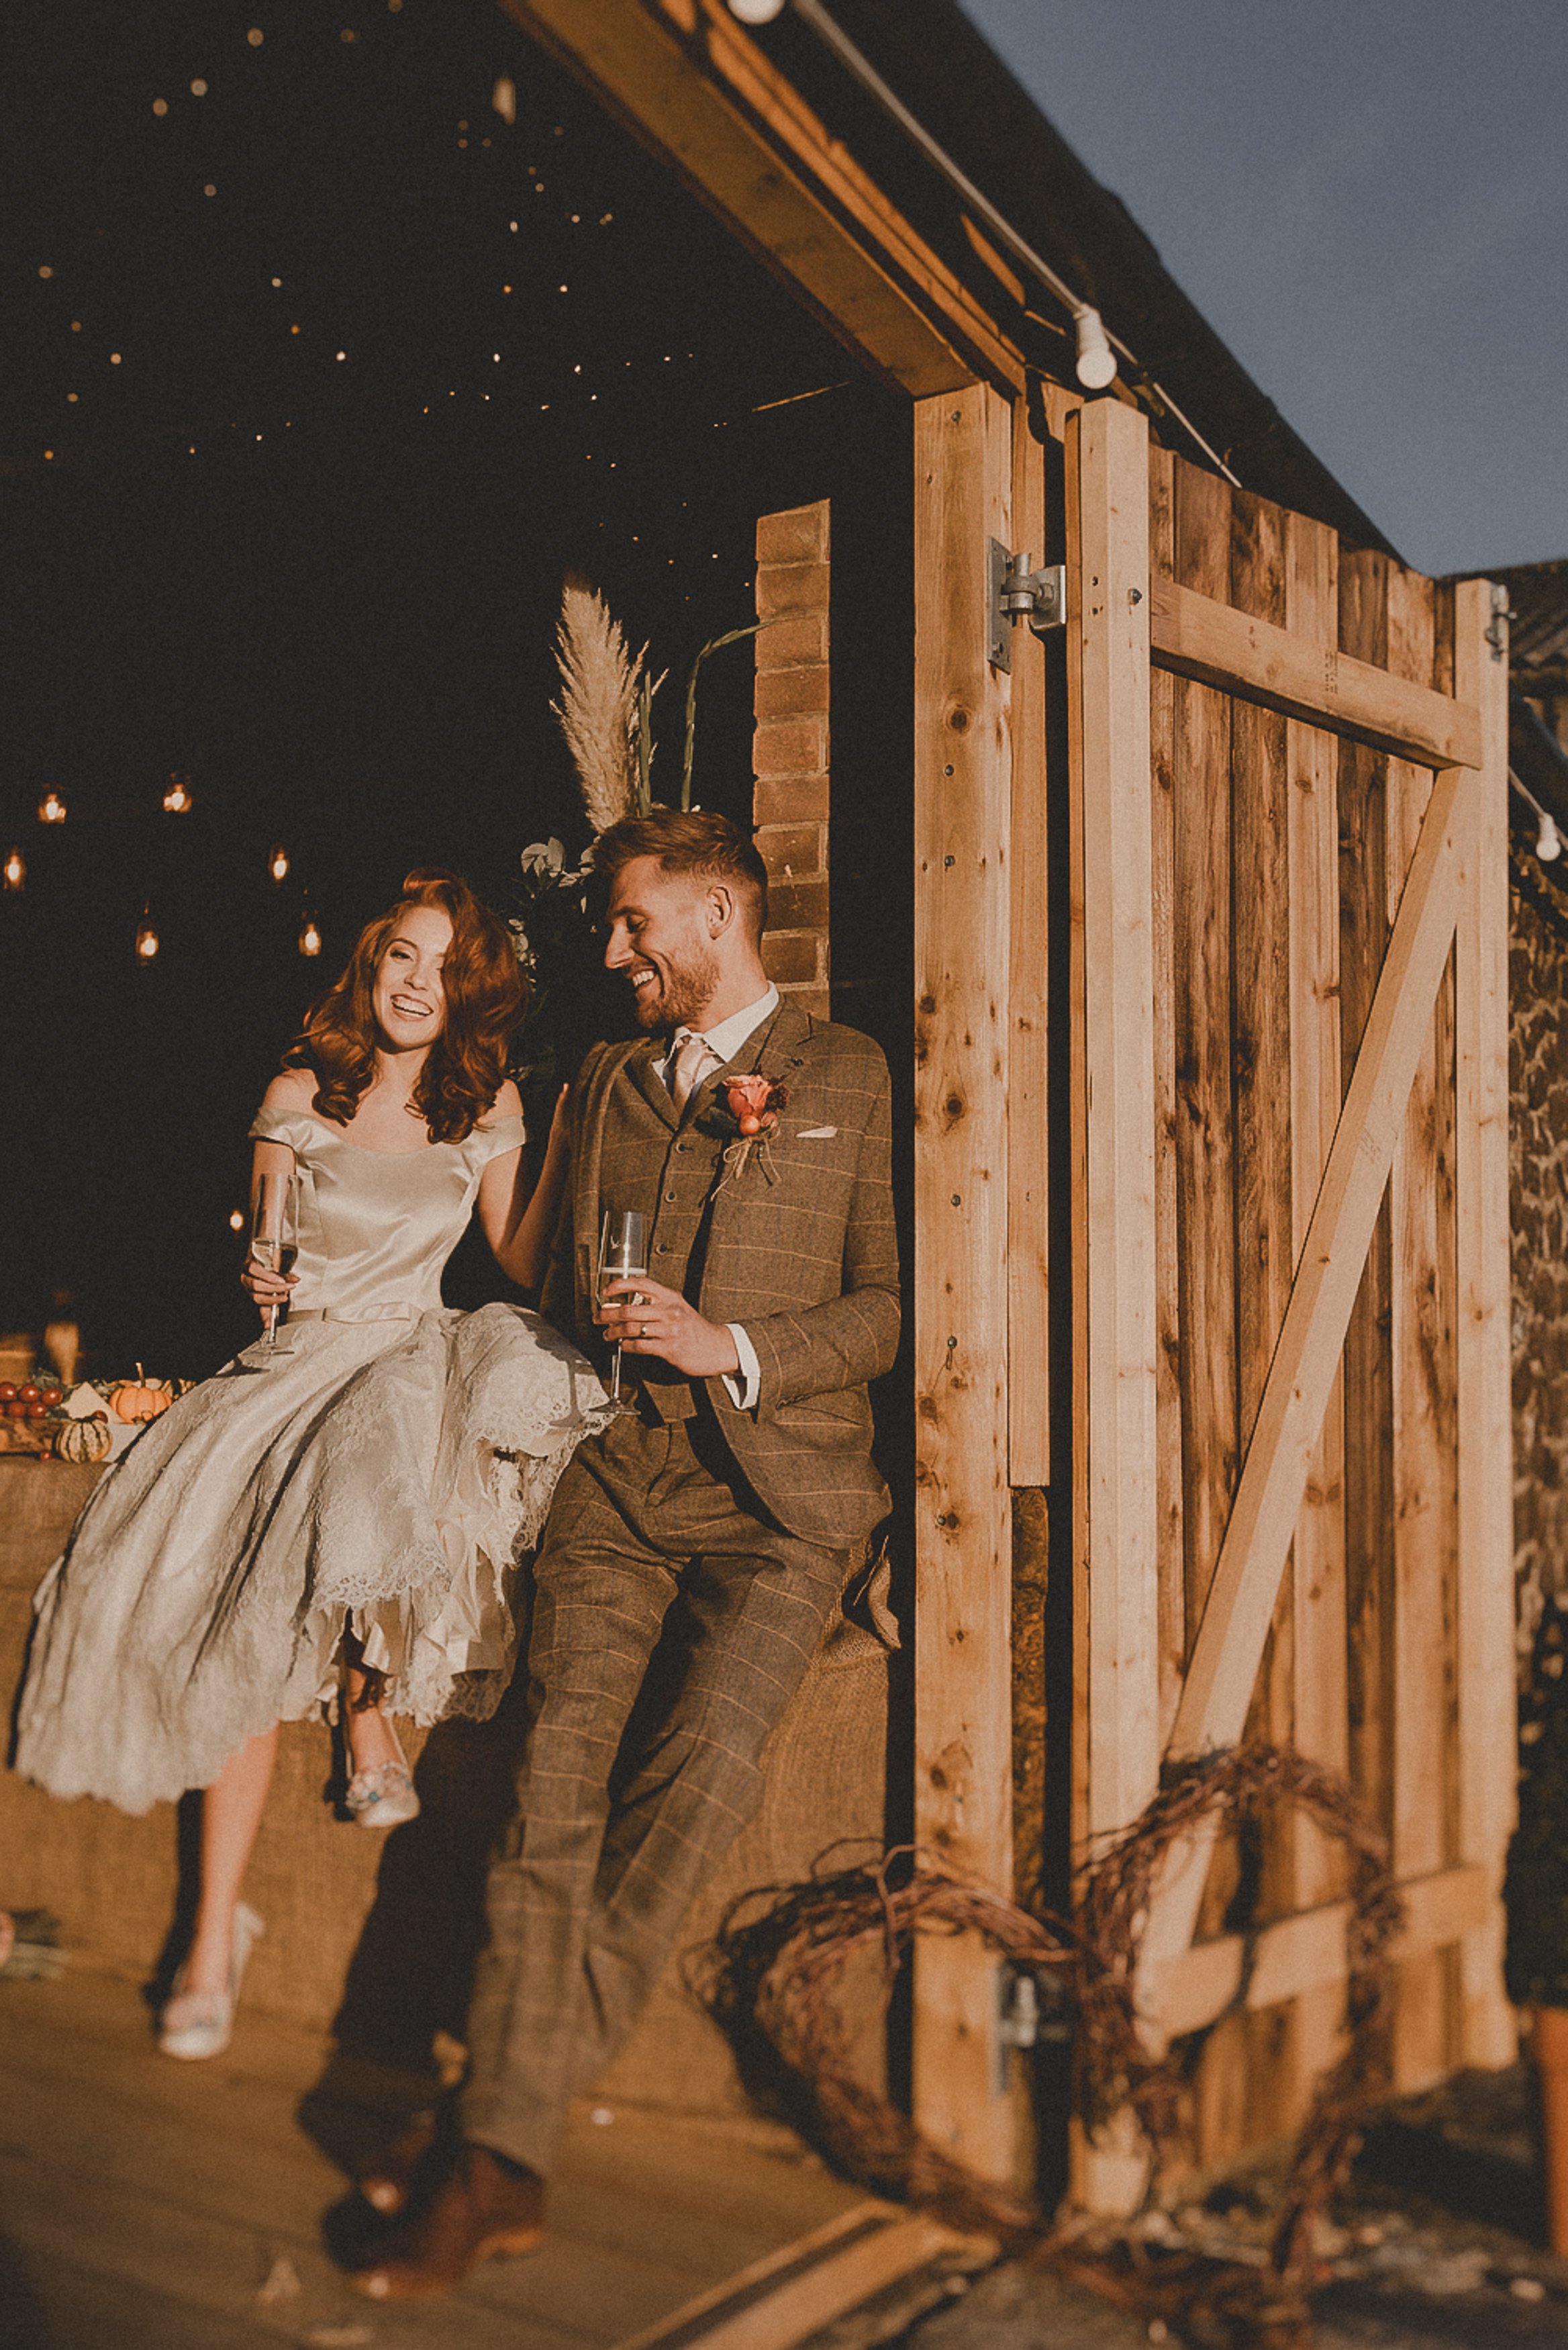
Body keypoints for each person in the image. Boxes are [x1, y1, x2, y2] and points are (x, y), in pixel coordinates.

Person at [346, 808, 899, 2299]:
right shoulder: (603, 1076)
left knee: (694, 1788)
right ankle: (498, 2161)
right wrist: (468, 1147)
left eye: (633, 922)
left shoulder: (848, 1074)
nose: (612, 949)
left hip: (782, 1513)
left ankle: (486, 2133)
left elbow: (889, 1310)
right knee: (545, 1794)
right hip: (622, 1487)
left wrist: (734, 1345)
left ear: (718, 915)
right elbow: (547, 1263)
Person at [13, 869, 610, 2061]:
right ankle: (208, 1938)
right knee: (243, 1622)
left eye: (442, 966)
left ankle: (363, 1704)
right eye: (400, 954)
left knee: (395, 1423)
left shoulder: (485, 1109)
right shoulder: (296, 1093)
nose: (415, 981)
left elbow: (518, 1254)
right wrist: (262, 1281)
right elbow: (268, 1252)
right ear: (370, 964)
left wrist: (570, 1143)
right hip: (302, 1359)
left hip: (411, 1351)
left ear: (468, 992)